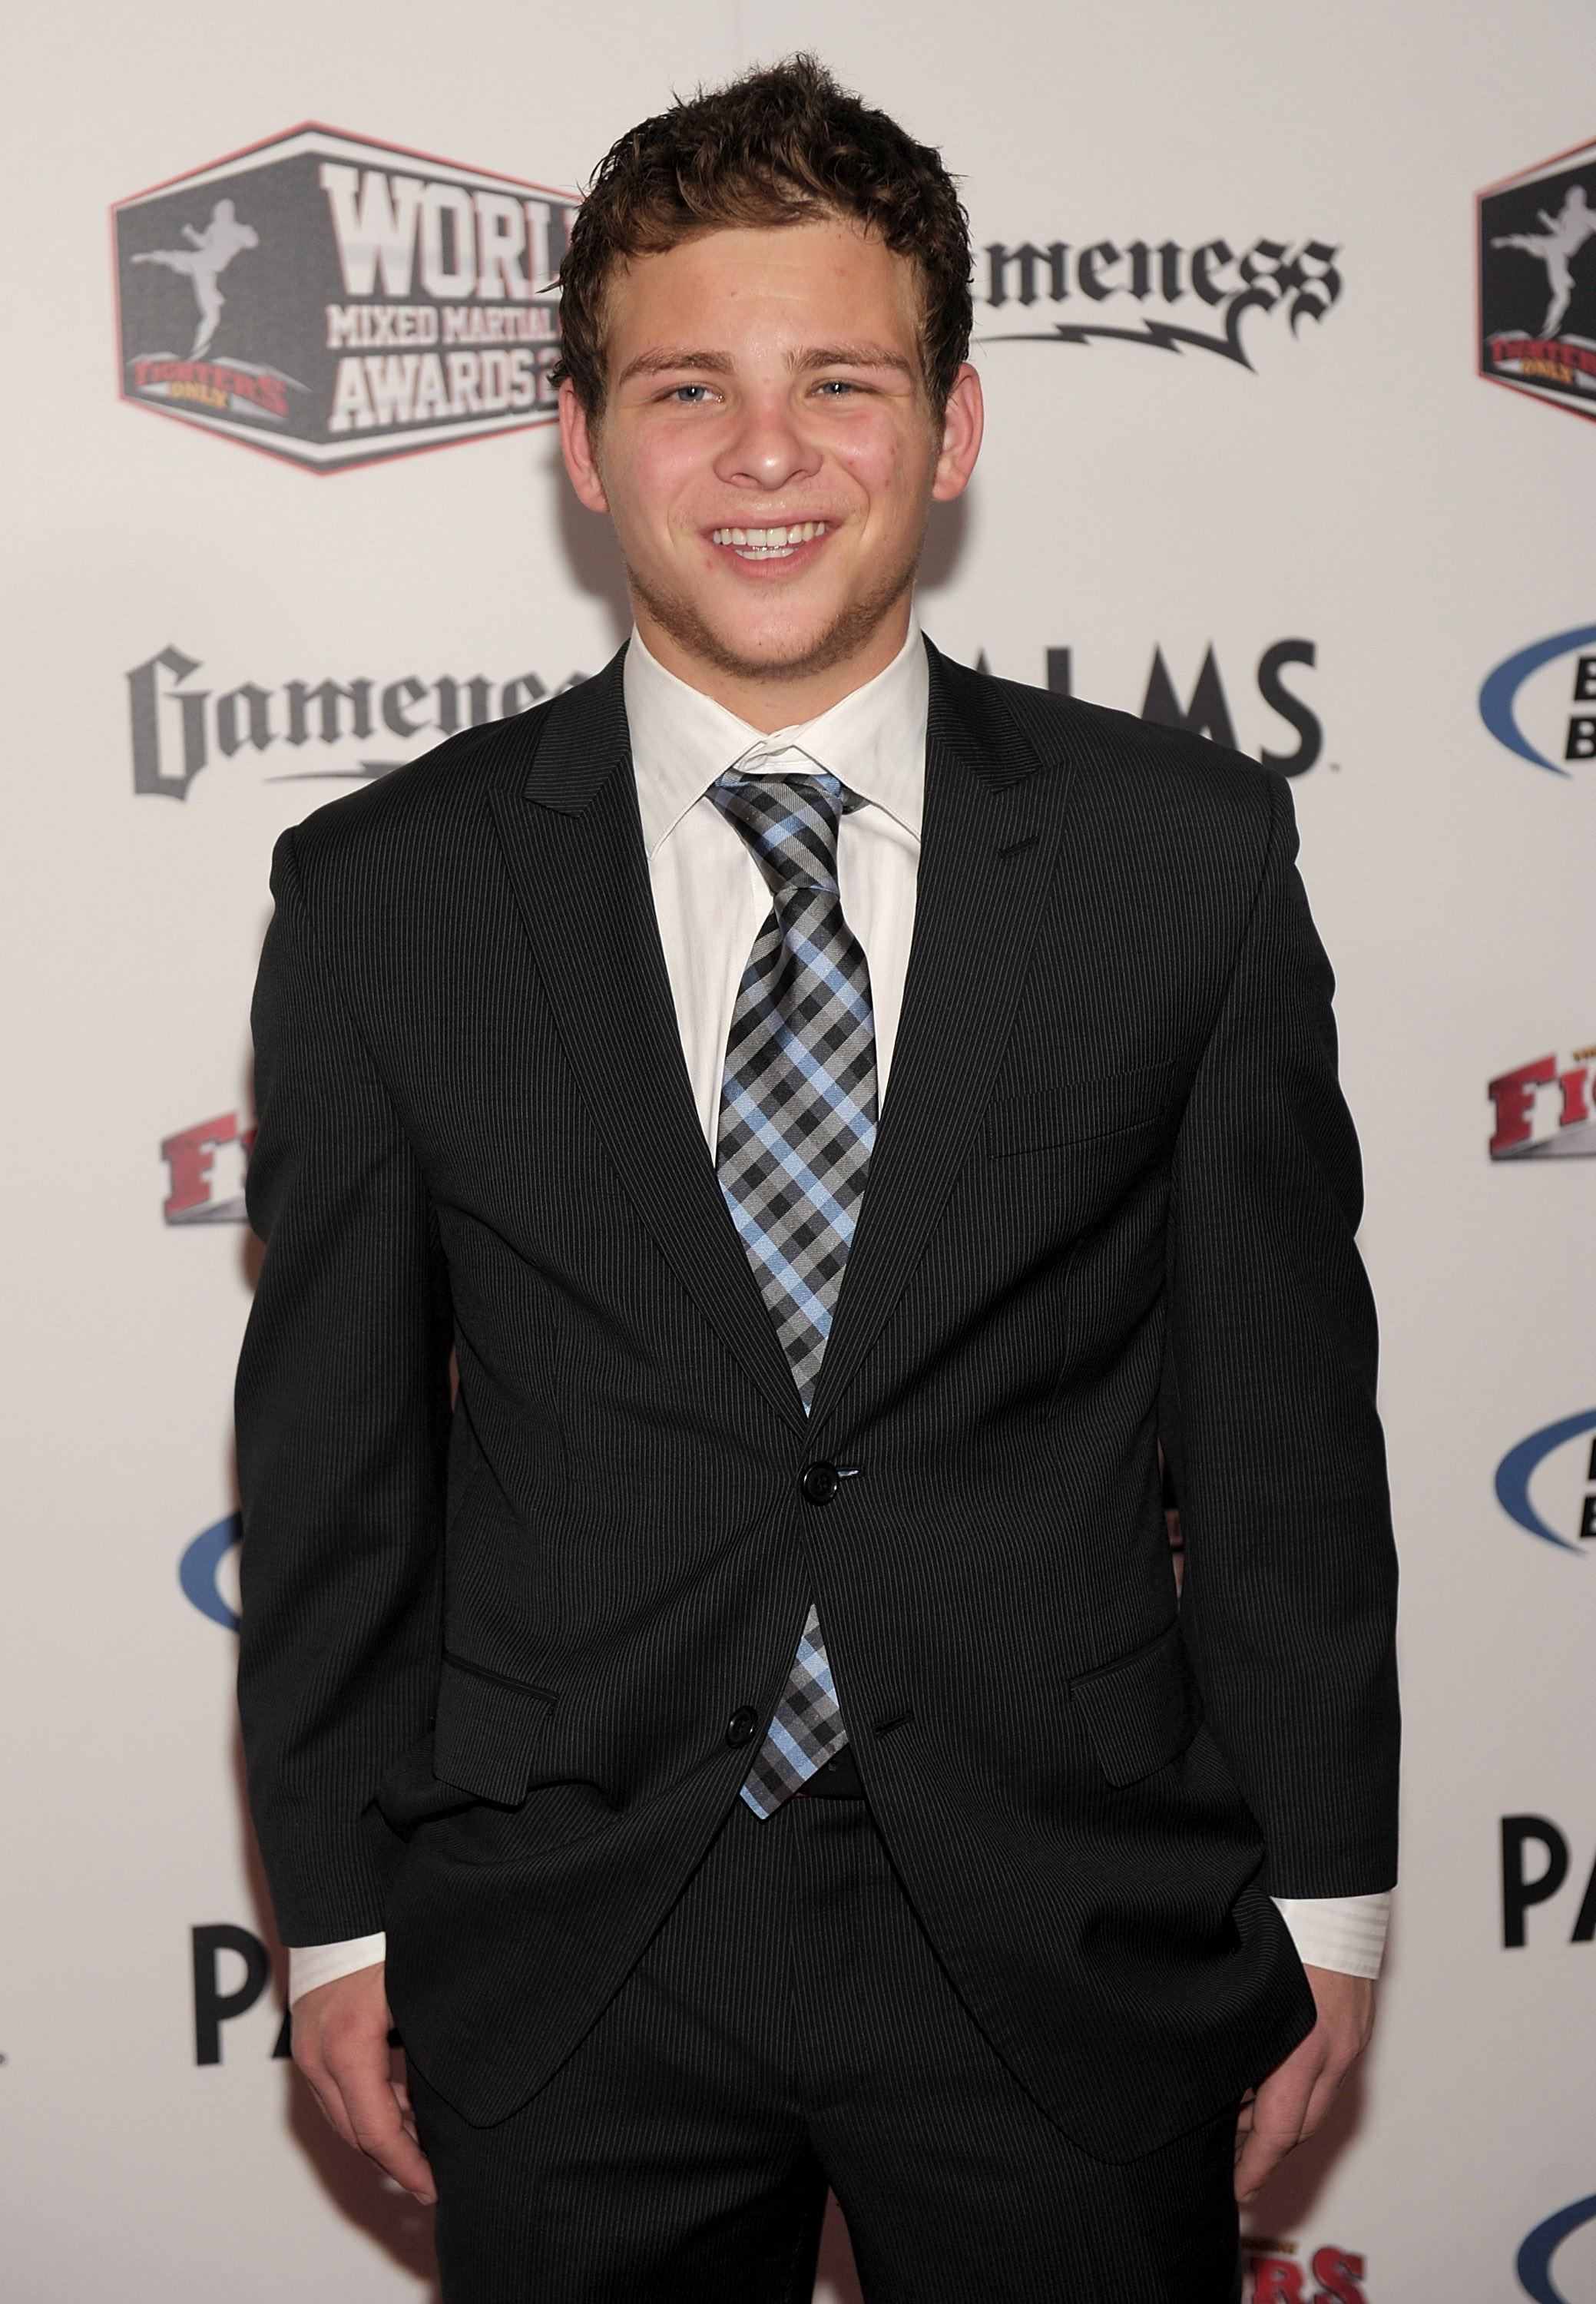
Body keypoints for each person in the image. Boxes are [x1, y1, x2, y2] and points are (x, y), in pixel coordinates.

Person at [236, 57, 1398, 2304]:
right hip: (570, 1940)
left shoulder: (1189, 862)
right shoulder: (388, 898)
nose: (767, 455)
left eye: (840, 381)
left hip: (1071, 1927)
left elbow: (1282, 1447)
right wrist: (341, 1921)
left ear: (952, 433)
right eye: (687, 389)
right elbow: (334, 1477)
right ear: (583, 445)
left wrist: (1332, 1900)